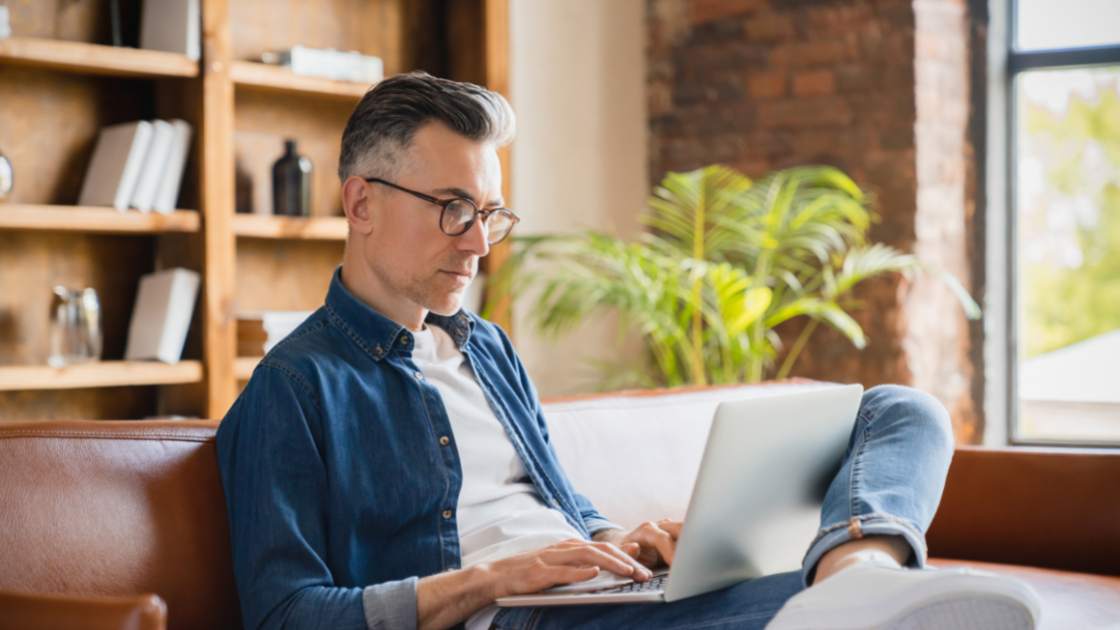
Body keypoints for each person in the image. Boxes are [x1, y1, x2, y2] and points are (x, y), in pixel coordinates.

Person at [216, 71, 1039, 630]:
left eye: (490, 214)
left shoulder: (488, 350)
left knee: (905, 409)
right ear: (360, 202)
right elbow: (286, 611)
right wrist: (496, 579)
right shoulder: (292, 388)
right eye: (452, 208)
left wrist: (624, 541)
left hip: (592, 599)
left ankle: (852, 577)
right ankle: (856, 595)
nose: (478, 244)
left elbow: (559, 510)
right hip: (518, 617)